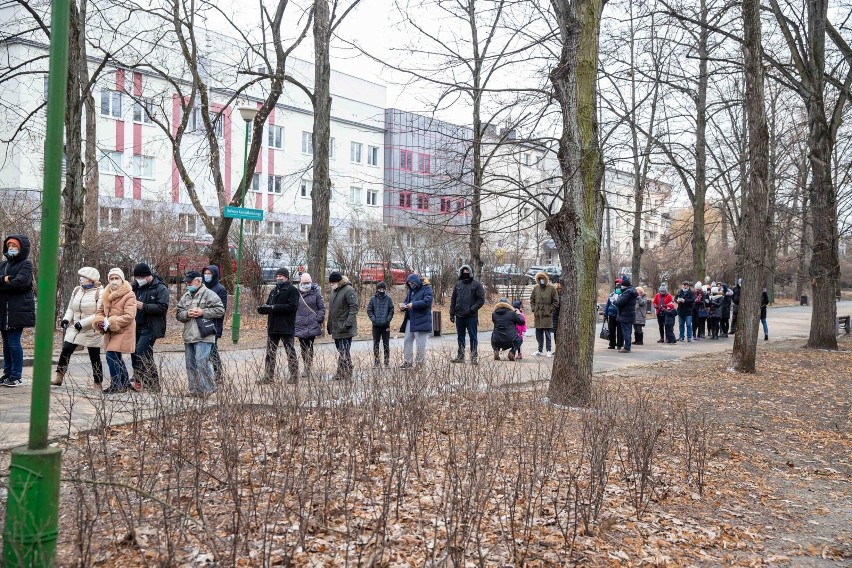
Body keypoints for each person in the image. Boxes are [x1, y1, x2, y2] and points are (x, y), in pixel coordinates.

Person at [175, 270, 224, 396]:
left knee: (202, 362)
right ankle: (194, 390)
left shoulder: (209, 294)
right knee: (190, 365)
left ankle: (208, 389)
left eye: (190, 282)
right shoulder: (185, 296)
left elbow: (220, 310)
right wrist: (186, 314)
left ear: (198, 281)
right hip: (189, 335)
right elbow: (178, 313)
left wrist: (203, 312)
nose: (187, 284)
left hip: (204, 335)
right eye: (186, 282)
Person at [53, 267, 104, 388]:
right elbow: (71, 307)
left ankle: (98, 382)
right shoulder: (77, 290)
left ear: (91, 280)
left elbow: (99, 313)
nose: (80, 280)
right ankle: (59, 377)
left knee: (94, 356)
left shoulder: (101, 292)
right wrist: (66, 319)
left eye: (83, 278)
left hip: (92, 329)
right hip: (76, 328)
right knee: (66, 349)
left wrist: (83, 323)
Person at [93, 268, 137, 394]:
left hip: (124, 329)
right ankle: (125, 383)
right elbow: (100, 311)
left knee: (111, 354)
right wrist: (99, 321)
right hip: (110, 330)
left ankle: (116, 384)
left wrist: (112, 322)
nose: (114, 281)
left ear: (122, 279)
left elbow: (129, 316)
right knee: (116, 355)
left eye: (116, 278)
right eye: (111, 278)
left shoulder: (129, 294)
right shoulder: (105, 294)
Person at [0, 235, 35, 388]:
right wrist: (6, 279)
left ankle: (16, 375)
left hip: (17, 311)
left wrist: (4, 283)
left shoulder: (25, 264)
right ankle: (7, 373)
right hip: (3, 312)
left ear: (22, 249)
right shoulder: (3, 264)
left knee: (14, 343)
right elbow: (11, 282)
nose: (11, 249)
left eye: (14, 246)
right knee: (6, 344)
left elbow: (22, 282)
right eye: (9, 246)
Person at [131, 262, 170, 391]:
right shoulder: (135, 287)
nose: (138, 280)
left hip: (151, 326)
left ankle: (150, 382)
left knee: (142, 352)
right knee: (138, 353)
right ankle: (144, 380)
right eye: (136, 277)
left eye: (140, 277)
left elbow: (163, 307)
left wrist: (144, 306)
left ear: (148, 276)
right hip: (136, 325)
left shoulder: (160, 288)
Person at [257, 268, 300, 384]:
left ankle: (294, 376)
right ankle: (268, 376)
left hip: (286, 326)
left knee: (290, 352)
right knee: (270, 353)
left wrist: (274, 308)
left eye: (281, 276)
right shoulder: (274, 291)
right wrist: (263, 309)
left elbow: (292, 307)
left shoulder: (292, 290)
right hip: (273, 327)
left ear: (287, 277)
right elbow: (269, 305)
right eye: (278, 276)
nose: (279, 278)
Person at [449, 264, 485, 364]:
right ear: (461, 273)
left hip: (471, 317)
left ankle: (474, 357)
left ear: (471, 273)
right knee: (460, 337)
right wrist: (452, 313)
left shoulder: (476, 285)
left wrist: (472, 309)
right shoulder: (458, 285)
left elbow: (481, 300)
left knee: (473, 337)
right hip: (459, 316)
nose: (465, 274)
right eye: (463, 272)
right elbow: (453, 299)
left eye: (467, 272)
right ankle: (460, 356)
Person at [327, 271, 359, 380]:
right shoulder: (334, 291)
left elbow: (354, 307)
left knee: (344, 350)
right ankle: (344, 370)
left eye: (333, 282)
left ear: (339, 281)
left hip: (345, 327)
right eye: (330, 283)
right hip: (336, 327)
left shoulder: (348, 290)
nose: (331, 284)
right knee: (341, 351)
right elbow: (332, 310)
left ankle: (344, 372)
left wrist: (347, 323)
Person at [399, 273, 433, 369]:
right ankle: (407, 362)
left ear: (417, 282)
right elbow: (406, 301)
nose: (411, 285)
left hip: (422, 320)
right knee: (407, 341)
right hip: (410, 320)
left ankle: (419, 363)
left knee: (420, 343)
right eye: (409, 283)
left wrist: (413, 304)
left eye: (412, 283)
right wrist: (403, 306)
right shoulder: (410, 291)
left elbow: (427, 301)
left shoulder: (427, 289)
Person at [294, 272, 325, 378]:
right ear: (301, 282)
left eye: (308, 282)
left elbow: (321, 308)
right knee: (303, 346)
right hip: (300, 323)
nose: (307, 284)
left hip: (312, 323)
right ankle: (305, 364)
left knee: (310, 345)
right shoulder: (296, 293)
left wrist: (319, 318)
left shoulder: (316, 292)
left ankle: (308, 367)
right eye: (305, 282)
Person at [203, 265, 227, 383]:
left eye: (209, 273)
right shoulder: (202, 287)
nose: (206, 275)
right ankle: (208, 374)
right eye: (205, 273)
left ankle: (218, 374)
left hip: (214, 325)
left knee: (212, 350)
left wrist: (204, 311)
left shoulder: (220, 289)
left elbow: (222, 310)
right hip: (201, 324)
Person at [529, 271, 558, 357]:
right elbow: (532, 299)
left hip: (547, 315)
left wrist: (549, 310)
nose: (541, 280)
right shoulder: (536, 288)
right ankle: (539, 350)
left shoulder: (551, 288)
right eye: (539, 279)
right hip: (538, 315)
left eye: (542, 278)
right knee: (538, 334)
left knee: (547, 333)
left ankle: (548, 350)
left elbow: (556, 301)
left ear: (545, 279)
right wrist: (534, 309)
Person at [367, 281, 394, 367]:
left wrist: (388, 319)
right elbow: (369, 310)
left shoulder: (389, 299)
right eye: (379, 289)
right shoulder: (373, 299)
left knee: (386, 343)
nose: (381, 290)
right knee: (376, 344)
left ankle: (386, 362)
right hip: (376, 326)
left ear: (385, 289)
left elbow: (391, 310)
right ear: (377, 289)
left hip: (386, 325)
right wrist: (373, 319)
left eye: (382, 289)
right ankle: (376, 361)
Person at [615, 276, 637, 353]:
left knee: (626, 331)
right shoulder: (632, 292)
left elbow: (619, 303)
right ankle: (627, 346)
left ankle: (627, 347)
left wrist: (615, 301)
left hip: (625, 315)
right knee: (629, 331)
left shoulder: (627, 293)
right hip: (630, 315)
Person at [604, 279, 623, 350]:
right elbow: (607, 304)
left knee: (620, 331)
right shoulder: (611, 294)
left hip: (619, 314)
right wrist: (605, 313)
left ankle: (619, 344)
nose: (617, 286)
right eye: (616, 284)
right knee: (611, 330)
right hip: (611, 314)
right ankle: (612, 344)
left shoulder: (623, 295)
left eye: (618, 285)